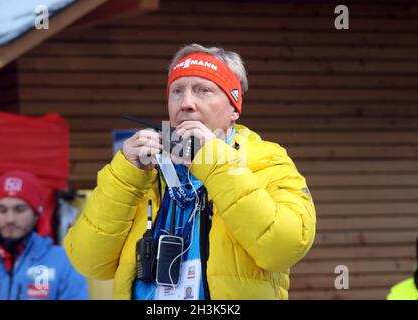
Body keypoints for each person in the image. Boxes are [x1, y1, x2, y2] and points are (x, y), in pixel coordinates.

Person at [64, 43, 316, 300]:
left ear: (234, 108)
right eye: (177, 91)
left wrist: (213, 160)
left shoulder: (267, 160)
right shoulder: (145, 170)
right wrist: (125, 176)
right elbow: (88, 261)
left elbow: (283, 247)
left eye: (203, 90)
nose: (186, 103)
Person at [0, 170, 89, 300]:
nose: (10, 219)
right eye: (2, 210)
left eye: (19, 209)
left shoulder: (62, 262)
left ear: (36, 214)